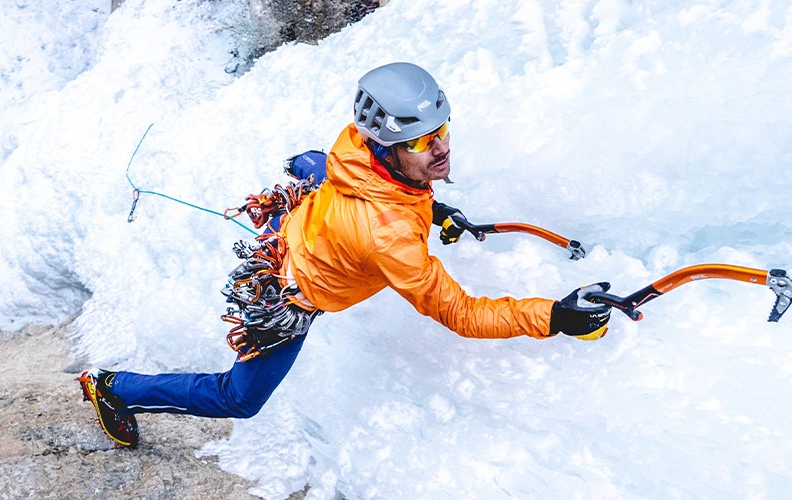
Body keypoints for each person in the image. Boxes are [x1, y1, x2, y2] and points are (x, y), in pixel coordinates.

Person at [78, 62, 612, 448]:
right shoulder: (390, 239)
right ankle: (110, 386)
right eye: (424, 142)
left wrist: (433, 209)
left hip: (306, 222)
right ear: (388, 146)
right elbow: (462, 313)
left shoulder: (354, 147)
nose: (442, 148)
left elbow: (381, 191)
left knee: (313, 164)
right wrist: (554, 317)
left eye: (442, 131)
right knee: (238, 399)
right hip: (285, 295)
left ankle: (303, 181)